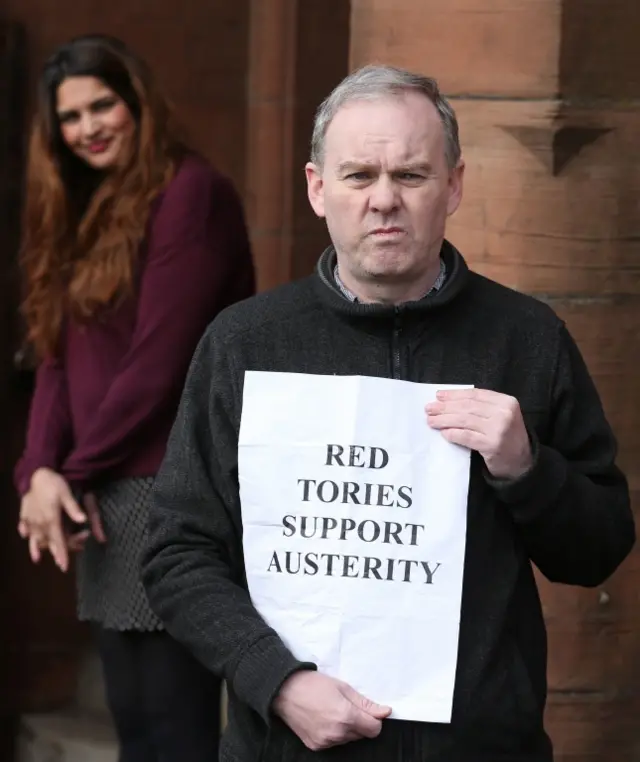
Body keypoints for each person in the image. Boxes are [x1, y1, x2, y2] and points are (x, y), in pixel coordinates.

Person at [140, 65, 634, 762]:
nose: (383, 201)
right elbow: (175, 552)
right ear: (317, 188)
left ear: (454, 185)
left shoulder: (527, 339)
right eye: (358, 175)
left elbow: (601, 549)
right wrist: (274, 680)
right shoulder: (244, 343)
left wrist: (528, 470)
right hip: (287, 747)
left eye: (410, 176)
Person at [15, 34, 255, 762]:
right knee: (135, 724)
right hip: (106, 491)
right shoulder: (89, 212)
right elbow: (57, 363)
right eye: (71, 116)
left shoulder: (191, 194)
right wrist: (38, 474)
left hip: (169, 485)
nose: (88, 127)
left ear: (137, 104)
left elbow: (162, 363)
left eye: (103, 105)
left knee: (175, 728)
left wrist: (73, 474)